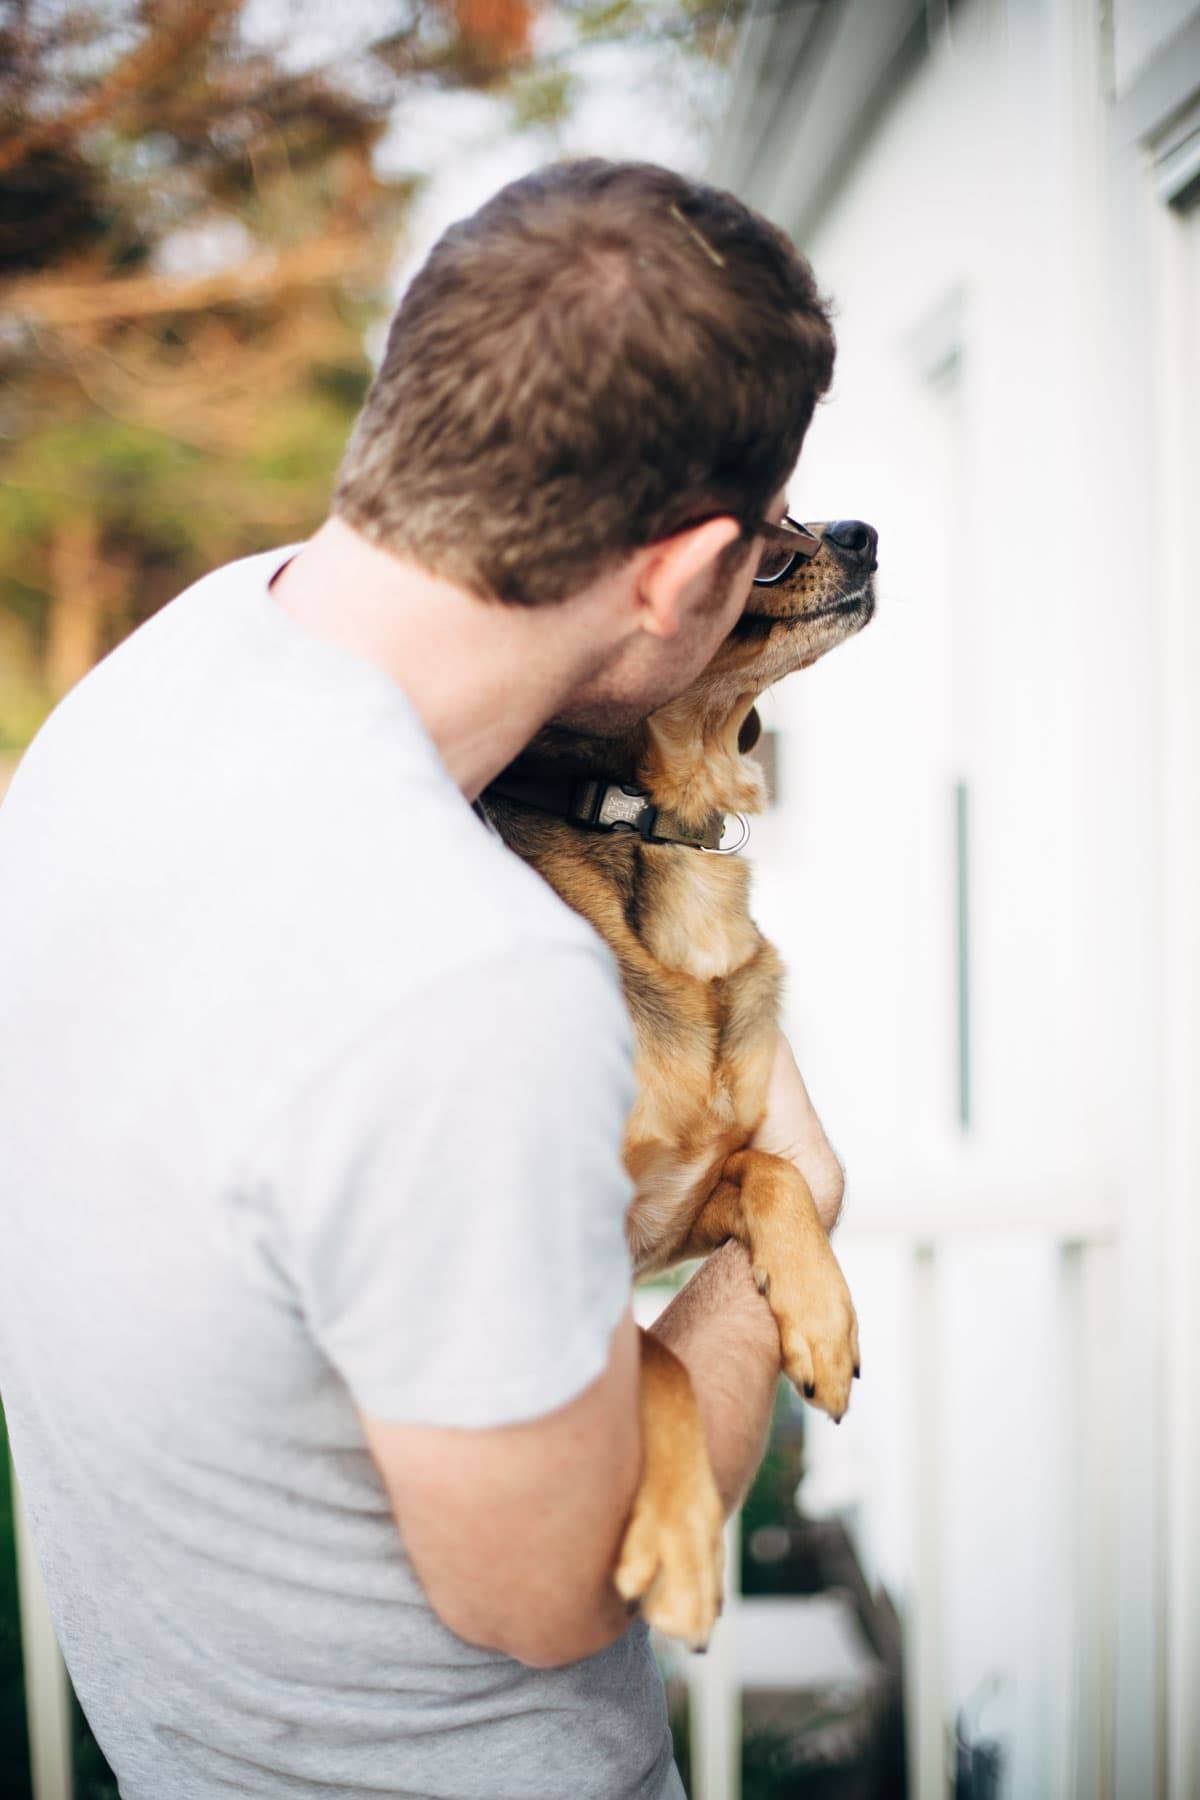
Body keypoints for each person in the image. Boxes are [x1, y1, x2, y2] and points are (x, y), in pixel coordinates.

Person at [0, 158, 846, 1800]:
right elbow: (553, 1592)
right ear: (677, 577)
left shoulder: (148, 680)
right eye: (760, 551)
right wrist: (796, 1197)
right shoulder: (469, 981)